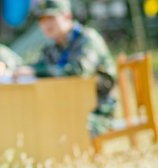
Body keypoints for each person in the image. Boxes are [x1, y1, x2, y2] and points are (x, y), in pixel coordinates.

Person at [14, 0, 117, 136]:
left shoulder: (87, 39)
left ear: (67, 17)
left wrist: (37, 71)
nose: (47, 25)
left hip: (97, 111)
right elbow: (38, 65)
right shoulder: (53, 47)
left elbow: (79, 70)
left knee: (54, 128)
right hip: (69, 107)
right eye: (42, 20)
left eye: (51, 18)